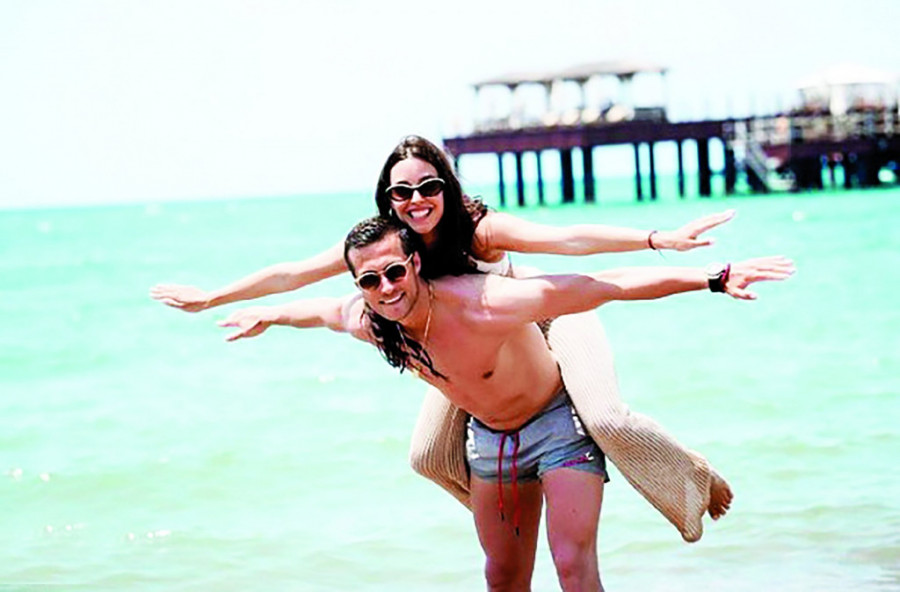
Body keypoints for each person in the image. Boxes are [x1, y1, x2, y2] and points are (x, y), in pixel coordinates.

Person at [151, 134, 735, 541]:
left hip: (546, 315)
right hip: (466, 344)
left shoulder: (479, 231)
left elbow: (568, 241)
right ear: (387, 200)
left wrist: (657, 239)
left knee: (605, 418)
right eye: (400, 193)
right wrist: (215, 298)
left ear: (447, 186)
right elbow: (293, 276)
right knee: (427, 457)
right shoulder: (387, 249)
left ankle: (690, 478)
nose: (415, 202)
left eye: (427, 187)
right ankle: (512, 506)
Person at [217, 216, 795, 591]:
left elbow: (603, 285)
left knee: (572, 569)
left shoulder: (482, 302)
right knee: (503, 578)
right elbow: (315, 312)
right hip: (491, 441)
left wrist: (710, 277)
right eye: (371, 281)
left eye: (394, 272)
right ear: (359, 286)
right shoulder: (371, 320)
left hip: (558, 425)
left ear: (414, 263)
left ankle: (689, 476)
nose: (386, 288)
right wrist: (268, 313)